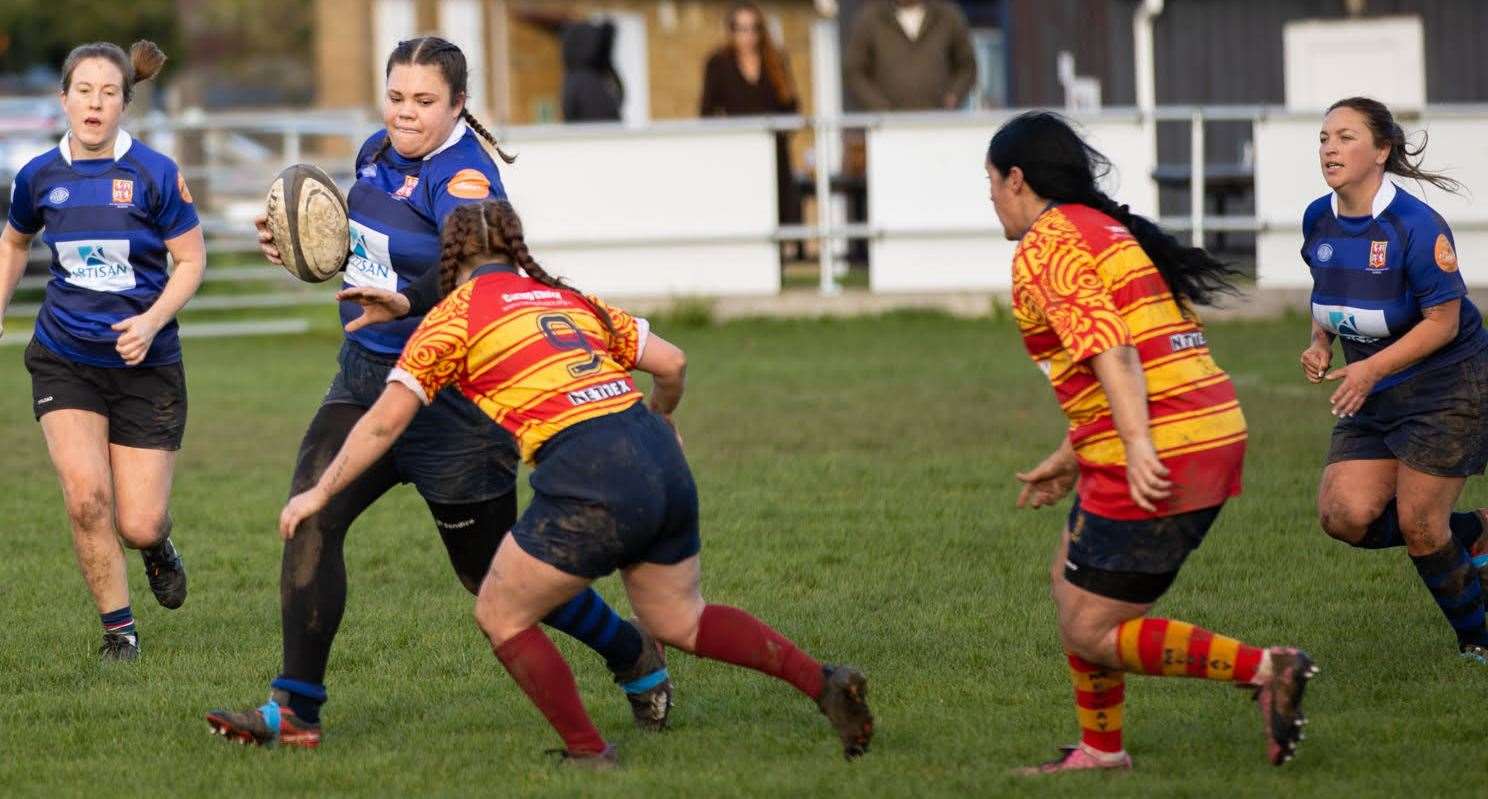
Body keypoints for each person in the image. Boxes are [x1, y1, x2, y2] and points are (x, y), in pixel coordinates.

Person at [275, 199, 874, 767]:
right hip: (659, 457)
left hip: (590, 472)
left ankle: (589, 752)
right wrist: (663, 417)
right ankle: (821, 682)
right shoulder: (567, 299)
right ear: (515, 250)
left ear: (448, 262)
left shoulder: (451, 319)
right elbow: (673, 363)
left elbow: (383, 423)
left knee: (501, 613)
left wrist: (318, 492)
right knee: (680, 620)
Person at [205, 37, 669, 749]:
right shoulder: (373, 155)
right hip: (365, 379)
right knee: (312, 517)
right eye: (396, 97)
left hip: (453, 404)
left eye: (424, 101)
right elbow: (363, 255)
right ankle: (296, 710)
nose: (406, 114)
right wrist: (302, 247)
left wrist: (405, 301)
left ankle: (629, 650)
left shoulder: (466, 181)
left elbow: (479, 279)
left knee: (492, 576)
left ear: (458, 105)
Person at [985, 112, 1315, 774]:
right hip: (1201, 427)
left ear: (1017, 179)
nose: (990, 196)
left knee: (1090, 628)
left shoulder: (1047, 244)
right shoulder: (1104, 230)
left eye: (990, 182)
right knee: (1068, 580)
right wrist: (1072, 454)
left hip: (1167, 442)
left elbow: (1114, 348)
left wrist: (1137, 443)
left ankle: (1267, 668)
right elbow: (1140, 355)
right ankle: (1101, 749)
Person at [0, 40, 199, 662]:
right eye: (83, 90)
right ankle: (120, 632)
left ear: (124, 102)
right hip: (65, 357)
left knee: (138, 522)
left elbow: (191, 261)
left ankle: (158, 548)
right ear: (64, 99)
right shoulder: (37, 176)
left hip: (146, 363)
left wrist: (152, 319)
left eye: (108, 92)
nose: (94, 102)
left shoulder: (155, 173)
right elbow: (13, 243)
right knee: (87, 498)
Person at [1299, 97, 1488, 662]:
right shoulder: (1318, 217)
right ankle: (1477, 531)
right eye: (1325, 137)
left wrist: (1372, 367)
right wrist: (1318, 343)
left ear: (1381, 151)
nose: (1330, 147)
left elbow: (1444, 321)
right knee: (1345, 517)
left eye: (1347, 137)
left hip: (1448, 385)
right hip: (1374, 389)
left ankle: (1476, 639)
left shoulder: (1416, 226)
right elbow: (1331, 292)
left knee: (1420, 526)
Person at [700, 2, 803, 248]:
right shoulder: (718, 63)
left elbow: (791, 105)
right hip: (738, 153)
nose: (747, 35)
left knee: (778, 211)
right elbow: (706, 112)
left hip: (773, 151)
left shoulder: (775, 61)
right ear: (731, 31)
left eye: (753, 28)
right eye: (741, 28)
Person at [843, 0, 976, 111]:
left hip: (939, 122)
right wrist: (878, 105)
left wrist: (954, 95)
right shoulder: (870, 18)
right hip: (885, 129)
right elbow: (854, 71)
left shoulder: (948, 16)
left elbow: (967, 65)